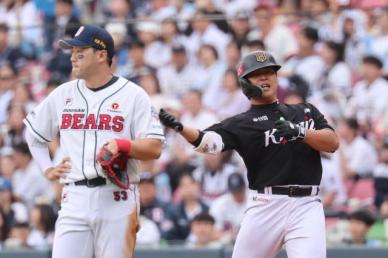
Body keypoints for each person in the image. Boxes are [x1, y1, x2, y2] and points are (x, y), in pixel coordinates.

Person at [159, 50, 339, 258]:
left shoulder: (303, 111)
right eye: (257, 74)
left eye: (270, 72)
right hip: (265, 205)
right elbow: (208, 142)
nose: (265, 77)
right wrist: (182, 129)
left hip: (307, 205)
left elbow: (332, 142)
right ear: (245, 83)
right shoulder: (241, 123)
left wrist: (301, 132)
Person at [23, 25, 164, 258]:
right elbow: (34, 136)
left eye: (80, 53)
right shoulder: (63, 94)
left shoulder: (133, 94)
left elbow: (155, 147)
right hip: (74, 198)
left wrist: (123, 145)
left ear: (101, 55)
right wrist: (46, 167)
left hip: (117, 198)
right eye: (72, 53)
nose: (73, 58)